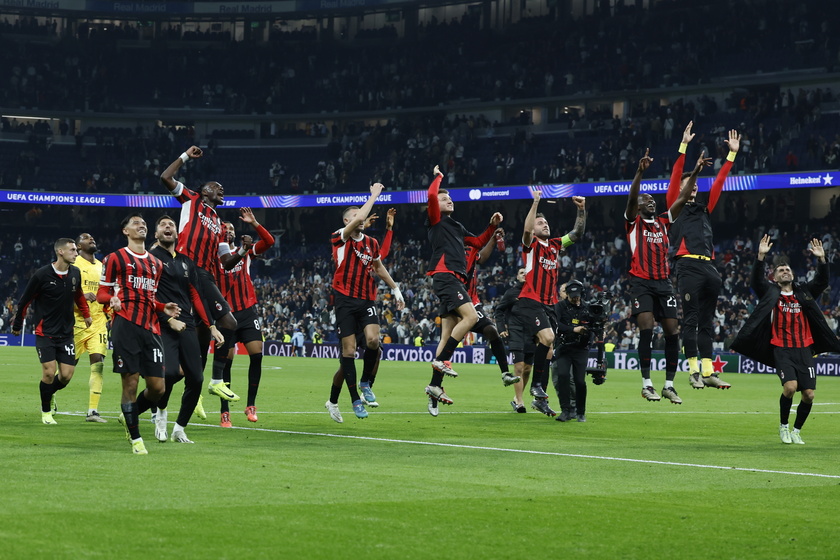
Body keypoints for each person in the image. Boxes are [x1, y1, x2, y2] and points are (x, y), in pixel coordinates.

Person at [160, 145, 252, 402]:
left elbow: (226, 261)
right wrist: (185, 156)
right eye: (216, 186)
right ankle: (208, 383)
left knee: (216, 329)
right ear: (204, 191)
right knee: (218, 326)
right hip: (186, 268)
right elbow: (165, 178)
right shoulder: (192, 199)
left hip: (205, 276)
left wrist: (243, 250)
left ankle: (207, 384)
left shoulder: (221, 226)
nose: (221, 189)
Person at [731, 236, 840, 445]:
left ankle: (797, 430)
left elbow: (822, 281)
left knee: (809, 394)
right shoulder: (771, 292)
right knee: (790, 388)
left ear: (793, 274)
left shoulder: (804, 292)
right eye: (780, 270)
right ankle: (783, 426)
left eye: (787, 269)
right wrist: (761, 256)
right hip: (781, 348)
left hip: (805, 349)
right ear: (774, 277)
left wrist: (822, 260)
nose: (785, 271)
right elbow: (755, 281)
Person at [96, 214, 180, 454]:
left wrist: (163, 307)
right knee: (130, 384)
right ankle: (136, 439)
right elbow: (102, 292)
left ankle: (129, 415)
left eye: (143, 223)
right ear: (125, 231)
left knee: (158, 388)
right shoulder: (114, 258)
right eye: (135, 223)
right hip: (125, 325)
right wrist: (111, 298)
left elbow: (150, 297)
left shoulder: (156, 264)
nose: (141, 225)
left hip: (151, 328)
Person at [424, 165, 502, 413]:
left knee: (446, 336)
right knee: (470, 316)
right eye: (444, 198)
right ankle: (442, 360)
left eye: (450, 198)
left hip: (454, 280)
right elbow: (430, 196)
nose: (449, 201)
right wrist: (439, 177)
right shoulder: (436, 221)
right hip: (446, 277)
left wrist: (491, 226)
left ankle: (435, 388)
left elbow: (478, 243)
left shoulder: (456, 227)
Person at [667, 122, 740, 389]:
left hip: (709, 268)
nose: (694, 186)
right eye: (691, 183)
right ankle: (693, 371)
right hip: (687, 266)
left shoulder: (705, 207)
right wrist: (683, 146)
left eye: (696, 183)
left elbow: (719, 181)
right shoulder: (674, 207)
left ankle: (708, 373)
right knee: (691, 320)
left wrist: (731, 155)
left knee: (707, 323)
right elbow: (676, 175)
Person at [325, 184, 405, 423]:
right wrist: (374, 195)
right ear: (347, 221)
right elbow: (361, 215)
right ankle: (352, 400)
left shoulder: (371, 242)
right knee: (347, 355)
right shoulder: (339, 237)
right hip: (345, 301)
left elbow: (378, 267)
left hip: (366, 299)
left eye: (359, 216)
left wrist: (396, 289)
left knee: (374, 341)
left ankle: (365, 383)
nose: (359, 219)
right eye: (354, 217)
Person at [625, 148, 699, 404]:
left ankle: (668, 385)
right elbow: (632, 197)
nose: (651, 202)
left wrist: (697, 170)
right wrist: (639, 172)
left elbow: (681, 198)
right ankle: (647, 384)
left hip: (664, 284)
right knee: (646, 329)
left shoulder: (664, 222)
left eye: (653, 200)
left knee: (672, 333)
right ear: (639, 206)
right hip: (641, 283)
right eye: (647, 200)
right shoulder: (633, 222)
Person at [428, 228, 520, 416]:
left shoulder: (470, 249)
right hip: (454, 296)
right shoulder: (451, 250)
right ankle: (434, 388)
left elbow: (481, 257)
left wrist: (493, 239)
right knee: (445, 339)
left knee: (491, 330)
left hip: (471, 301)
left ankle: (505, 373)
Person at [149, 215, 223, 443]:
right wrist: (166, 317)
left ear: (177, 234)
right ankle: (160, 415)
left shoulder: (186, 261)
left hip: (188, 324)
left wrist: (211, 325)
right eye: (162, 225)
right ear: (156, 234)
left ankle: (179, 428)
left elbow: (195, 295)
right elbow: (147, 294)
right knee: (170, 373)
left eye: (171, 224)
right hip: (162, 323)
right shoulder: (151, 259)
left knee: (197, 378)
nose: (168, 227)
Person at [513, 188, 586, 417]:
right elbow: (526, 230)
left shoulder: (555, 245)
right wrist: (535, 203)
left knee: (547, 351)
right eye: (540, 223)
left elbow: (576, 234)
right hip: (530, 301)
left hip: (549, 304)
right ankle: (532, 389)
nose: (545, 225)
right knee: (548, 339)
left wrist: (581, 210)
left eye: (546, 222)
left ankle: (540, 396)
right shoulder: (531, 244)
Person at [13, 238, 91, 425]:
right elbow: (25, 300)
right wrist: (17, 324)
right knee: (49, 373)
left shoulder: (75, 273)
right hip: (45, 332)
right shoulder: (42, 275)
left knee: (66, 375)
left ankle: (50, 393)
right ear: (60, 252)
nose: (76, 253)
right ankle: (46, 411)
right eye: (72, 250)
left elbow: (78, 295)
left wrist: (86, 314)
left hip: (66, 333)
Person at [214, 208, 275, 427]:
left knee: (257, 355)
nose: (228, 231)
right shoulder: (214, 257)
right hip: (225, 315)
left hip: (248, 311)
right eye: (224, 228)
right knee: (226, 363)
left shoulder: (246, 251)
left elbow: (269, 241)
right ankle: (224, 411)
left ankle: (251, 405)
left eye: (231, 228)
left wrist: (254, 223)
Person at [73, 233, 109, 423]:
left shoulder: (102, 266)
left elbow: (106, 292)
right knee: (66, 371)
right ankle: (50, 396)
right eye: (86, 238)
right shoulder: (74, 264)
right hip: (77, 322)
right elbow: (62, 294)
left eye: (93, 237)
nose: (91, 239)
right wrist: (81, 297)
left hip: (98, 322)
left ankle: (93, 411)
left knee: (98, 365)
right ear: (78, 247)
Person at [494, 268, 534, 413]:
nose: (524, 275)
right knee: (518, 367)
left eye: (526, 273)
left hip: (531, 334)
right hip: (515, 332)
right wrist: (501, 328)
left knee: (528, 369)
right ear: (517, 277)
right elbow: (499, 311)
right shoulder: (511, 293)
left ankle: (517, 397)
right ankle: (520, 402)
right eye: (521, 273)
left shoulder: (534, 292)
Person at [552, 280, 592, 422]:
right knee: (563, 376)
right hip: (564, 347)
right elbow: (556, 324)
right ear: (567, 295)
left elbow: (594, 324)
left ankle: (581, 412)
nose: (576, 298)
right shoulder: (559, 307)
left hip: (581, 348)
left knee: (580, 381)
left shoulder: (588, 307)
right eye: (572, 295)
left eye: (578, 295)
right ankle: (565, 410)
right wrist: (573, 329)